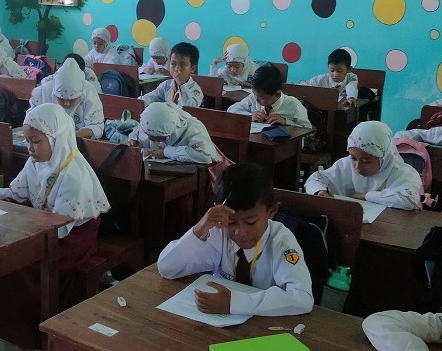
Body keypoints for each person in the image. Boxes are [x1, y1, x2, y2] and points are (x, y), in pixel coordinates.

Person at [0, 103, 110, 348]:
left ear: (56, 137)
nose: (29, 148)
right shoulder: (36, 162)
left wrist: (19, 229)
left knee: (19, 263)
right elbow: (14, 194)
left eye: (36, 141)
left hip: (72, 238)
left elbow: (60, 229)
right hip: (42, 225)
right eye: (27, 141)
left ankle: (12, 332)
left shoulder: (74, 176)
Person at [158, 163, 314, 316]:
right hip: (219, 321)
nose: (240, 232)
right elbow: (167, 268)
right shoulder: (219, 232)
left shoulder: (281, 242)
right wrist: (199, 228)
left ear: (271, 211)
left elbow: (303, 298)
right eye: (231, 222)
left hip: (266, 324)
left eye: (251, 222)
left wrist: (235, 303)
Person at [305, 120, 422, 210]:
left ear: (384, 157)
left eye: (366, 161)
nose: (357, 166)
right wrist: (319, 191)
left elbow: (410, 200)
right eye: (353, 158)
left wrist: (366, 196)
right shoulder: (345, 165)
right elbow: (315, 179)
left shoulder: (403, 173)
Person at [29, 59, 104, 138]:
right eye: (61, 99)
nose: (66, 104)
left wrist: (69, 137)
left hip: (77, 139)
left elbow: (97, 127)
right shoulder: (42, 92)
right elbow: (31, 121)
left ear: (81, 95)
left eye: (72, 100)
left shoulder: (89, 93)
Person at [128, 102, 219, 164]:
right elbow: (138, 130)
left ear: (167, 135)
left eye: (155, 138)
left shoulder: (194, 129)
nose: (149, 139)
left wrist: (166, 152)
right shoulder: (154, 117)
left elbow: (206, 156)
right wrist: (134, 139)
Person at [227, 64, 311, 128]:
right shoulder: (253, 98)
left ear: (276, 94)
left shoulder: (293, 105)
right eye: (254, 94)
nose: (256, 99)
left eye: (262, 97)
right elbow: (231, 110)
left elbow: (307, 128)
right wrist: (250, 116)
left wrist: (286, 122)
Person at [141, 42, 203, 107]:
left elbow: (188, 108)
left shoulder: (195, 90)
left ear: (192, 69)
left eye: (182, 65)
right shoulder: (166, 85)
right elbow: (150, 97)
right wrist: (140, 101)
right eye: (173, 64)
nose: (176, 69)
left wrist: (182, 85)